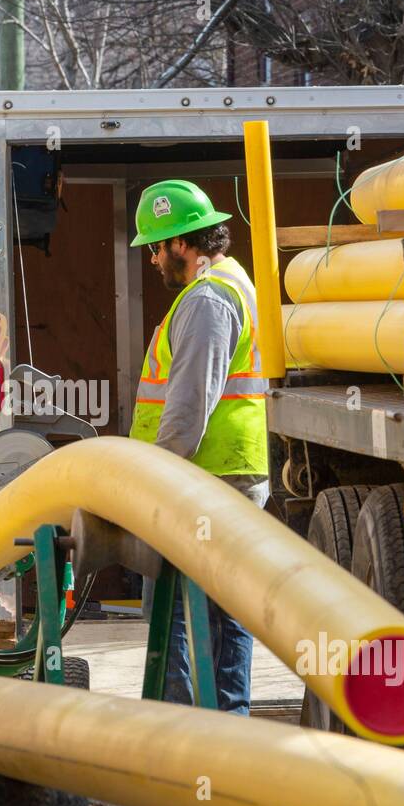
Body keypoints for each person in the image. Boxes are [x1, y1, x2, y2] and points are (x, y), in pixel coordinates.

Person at [128, 179, 270, 715]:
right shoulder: (228, 285)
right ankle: (222, 736)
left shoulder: (208, 299)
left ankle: (192, 739)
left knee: (183, 614)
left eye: (155, 248)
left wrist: (154, 479)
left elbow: (188, 406)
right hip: (223, 473)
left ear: (182, 245)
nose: (152, 260)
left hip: (207, 477)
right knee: (218, 612)